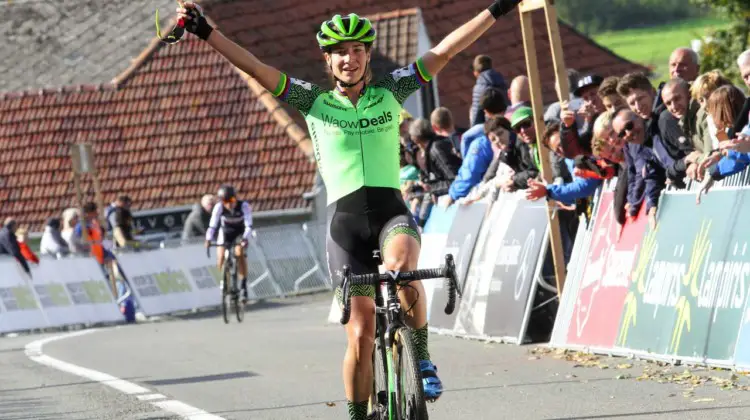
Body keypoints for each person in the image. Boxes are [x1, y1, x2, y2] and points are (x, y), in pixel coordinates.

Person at [175, 1, 523, 417]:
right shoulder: (313, 101)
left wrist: (498, 9)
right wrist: (206, 31)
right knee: (360, 332)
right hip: (346, 228)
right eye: (340, 51)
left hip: (391, 213)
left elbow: (446, 48)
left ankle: (422, 355)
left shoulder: (391, 91)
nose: (349, 58)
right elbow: (255, 68)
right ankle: (359, 414)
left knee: (401, 270)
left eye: (357, 49)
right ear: (329, 59)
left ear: (367, 55)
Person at [204, 185, 253, 302]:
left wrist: (245, 239)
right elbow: (212, 225)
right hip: (226, 232)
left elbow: (249, 226)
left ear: (235, 198)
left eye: (231, 200)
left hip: (240, 232)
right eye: (225, 201)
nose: (229, 204)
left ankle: (243, 286)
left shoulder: (244, 206)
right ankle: (224, 280)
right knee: (220, 256)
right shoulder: (219, 207)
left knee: (239, 253)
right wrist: (208, 239)